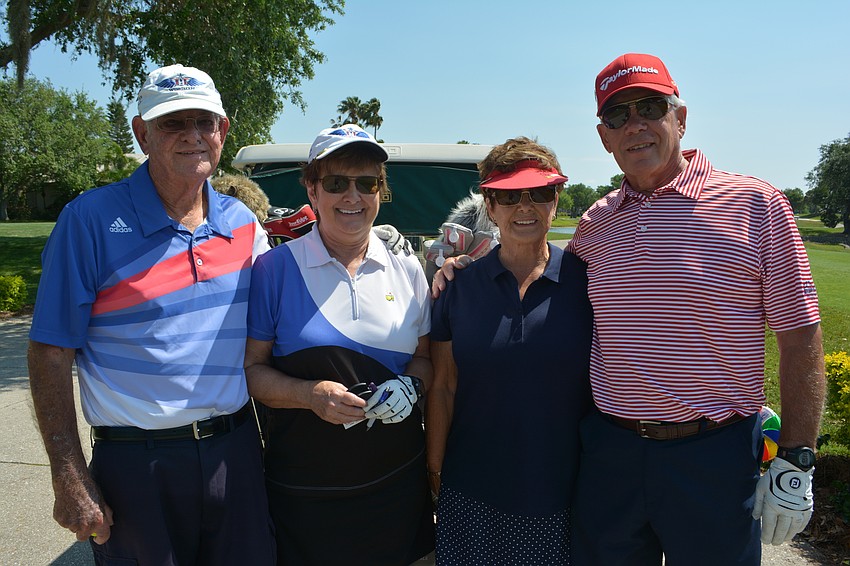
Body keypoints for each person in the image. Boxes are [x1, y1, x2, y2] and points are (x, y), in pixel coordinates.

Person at [433, 53, 826, 566]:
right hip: (610, 454)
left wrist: (796, 456)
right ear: (604, 136)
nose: (635, 125)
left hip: (711, 455)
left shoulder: (756, 205)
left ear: (679, 118)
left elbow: (801, 338)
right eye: (619, 115)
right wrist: (461, 265)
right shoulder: (598, 223)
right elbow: (529, 265)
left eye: (650, 107)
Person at [27, 64, 277, 564]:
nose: (192, 136)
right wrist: (68, 473)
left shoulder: (243, 224)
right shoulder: (88, 220)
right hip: (136, 467)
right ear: (142, 133)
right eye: (172, 123)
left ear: (222, 132)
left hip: (235, 452)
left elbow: (293, 306)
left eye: (204, 122)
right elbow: (51, 351)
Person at [244, 124, 435, 565]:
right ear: (312, 189)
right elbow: (252, 371)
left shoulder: (406, 269)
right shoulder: (274, 269)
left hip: (396, 487)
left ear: (380, 192)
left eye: (367, 183)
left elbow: (425, 360)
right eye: (336, 183)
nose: (353, 196)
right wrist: (308, 395)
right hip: (306, 495)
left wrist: (412, 387)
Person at [426, 137, 593, 565]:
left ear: (555, 200)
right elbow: (444, 386)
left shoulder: (589, 284)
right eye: (509, 195)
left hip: (561, 495)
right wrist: (435, 470)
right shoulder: (457, 286)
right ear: (490, 204)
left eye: (539, 192)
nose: (525, 206)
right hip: (470, 492)